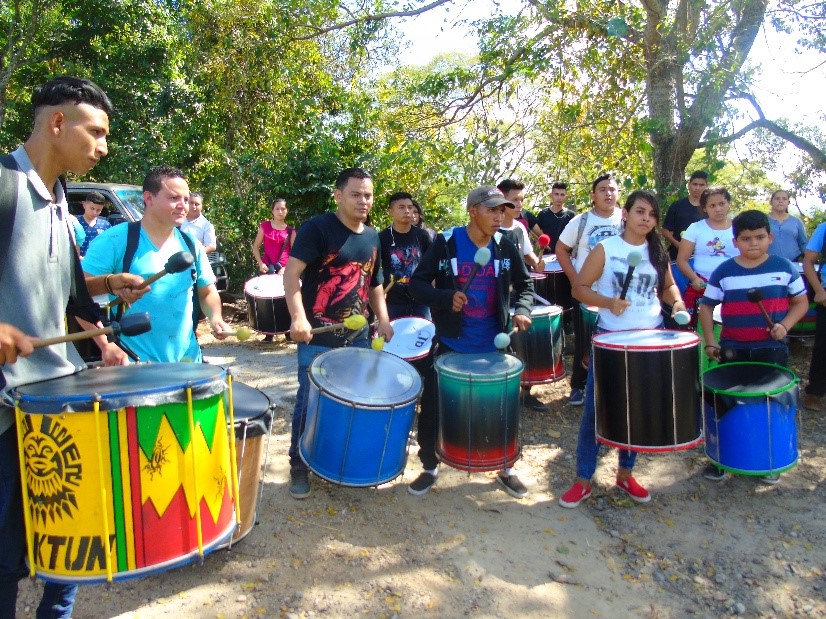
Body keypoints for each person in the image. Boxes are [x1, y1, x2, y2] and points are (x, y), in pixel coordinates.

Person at [0, 75, 129, 619]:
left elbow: (71, 293)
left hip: (57, 398)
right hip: (8, 410)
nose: (103, 147)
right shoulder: (5, 184)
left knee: (72, 536)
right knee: (7, 557)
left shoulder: (59, 201)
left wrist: (103, 327)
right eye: (95, 132)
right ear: (57, 123)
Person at [559, 190, 687, 508]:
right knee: (595, 412)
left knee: (636, 412)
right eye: (640, 211)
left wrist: (678, 302)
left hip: (650, 340)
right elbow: (579, 288)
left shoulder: (657, 251)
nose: (646, 218)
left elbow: (668, 286)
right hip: (611, 341)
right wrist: (608, 302)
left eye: (652, 214)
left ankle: (626, 473)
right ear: (626, 214)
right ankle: (583, 480)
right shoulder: (606, 248)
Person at [407, 185, 534, 498]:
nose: (498, 216)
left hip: (495, 345)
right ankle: (429, 466)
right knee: (433, 409)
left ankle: (505, 467)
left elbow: (525, 285)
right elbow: (417, 284)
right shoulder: (447, 243)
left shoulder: (506, 245)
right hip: (452, 344)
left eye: (502, 210)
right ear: (473, 211)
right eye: (491, 210)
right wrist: (445, 297)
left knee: (502, 411)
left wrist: (522, 310)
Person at [283, 167, 393, 499]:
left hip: (358, 339)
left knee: (352, 403)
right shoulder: (318, 228)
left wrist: (384, 319)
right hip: (318, 337)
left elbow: (374, 285)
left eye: (368, 195)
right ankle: (299, 465)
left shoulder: (372, 237)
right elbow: (291, 275)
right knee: (309, 402)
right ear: (338, 196)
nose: (363, 201)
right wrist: (298, 318)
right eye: (356, 194)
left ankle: (336, 460)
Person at [698, 209, 808, 483]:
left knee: (768, 405)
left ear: (770, 238)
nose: (753, 243)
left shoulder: (784, 267)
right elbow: (706, 306)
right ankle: (722, 458)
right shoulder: (724, 271)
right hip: (733, 346)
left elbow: (801, 302)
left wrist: (785, 326)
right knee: (728, 404)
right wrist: (710, 341)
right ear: (735, 242)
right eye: (746, 239)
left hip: (771, 348)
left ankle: (768, 460)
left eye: (759, 237)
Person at [83, 166, 230, 363]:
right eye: (174, 198)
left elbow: (207, 291)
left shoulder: (191, 244)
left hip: (188, 363)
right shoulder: (115, 240)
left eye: (186, 199)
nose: (183, 206)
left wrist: (216, 318)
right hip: (134, 364)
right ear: (148, 198)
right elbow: (79, 297)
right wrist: (105, 345)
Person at [555, 174, 624, 406]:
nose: (608, 193)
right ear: (593, 195)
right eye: (602, 189)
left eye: (612, 189)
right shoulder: (581, 221)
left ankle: (610, 388)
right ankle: (579, 385)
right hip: (587, 293)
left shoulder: (627, 220)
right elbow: (561, 249)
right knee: (585, 340)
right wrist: (575, 280)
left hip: (618, 293)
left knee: (615, 339)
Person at [675, 186, 740, 326]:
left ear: (728, 203)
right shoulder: (695, 228)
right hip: (703, 287)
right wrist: (694, 278)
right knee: (701, 328)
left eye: (722, 204)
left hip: (735, 287)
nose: (718, 209)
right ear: (704, 208)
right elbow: (682, 260)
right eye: (712, 205)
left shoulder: (740, 227)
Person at [378, 191, 433, 319]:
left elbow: (432, 265)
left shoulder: (422, 236)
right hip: (393, 302)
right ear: (391, 211)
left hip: (421, 301)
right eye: (401, 207)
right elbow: (374, 270)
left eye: (410, 207)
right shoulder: (382, 238)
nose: (407, 211)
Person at [801, 221, 826, 412]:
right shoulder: (824, 228)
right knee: (823, 345)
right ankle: (815, 391)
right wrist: (819, 291)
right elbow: (808, 262)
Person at [662, 170, 709, 262]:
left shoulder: (709, 208)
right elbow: (665, 231)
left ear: (706, 186)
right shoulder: (677, 206)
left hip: (703, 257)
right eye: (695, 184)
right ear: (689, 185)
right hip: (677, 255)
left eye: (701, 185)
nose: (697, 188)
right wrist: (678, 245)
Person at [497, 179, 543, 271]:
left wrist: (537, 263)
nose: (520, 204)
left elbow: (527, 254)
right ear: (501, 201)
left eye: (521, 200)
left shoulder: (520, 227)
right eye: (515, 200)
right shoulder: (489, 229)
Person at [252, 198, 296, 275]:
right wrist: (261, 263)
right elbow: (255, 247)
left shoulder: (291, 231)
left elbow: (295, 254)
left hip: (284, 271)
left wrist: (286, 268)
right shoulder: (265, 226)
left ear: (287, 211)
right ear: (272, 211)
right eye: (277, 209)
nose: (280, 212)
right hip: (267, 269)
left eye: (283, 209)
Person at [534, 182, 575, 253]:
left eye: (562, 195)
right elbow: (534, 233)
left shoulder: (571, 215)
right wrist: (541, 242)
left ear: (566, 197)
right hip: (547, 254)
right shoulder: (543, 214)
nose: (559, 198)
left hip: (566, 255)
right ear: (551, 195)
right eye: (556, 194)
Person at [767, 189, 807, 262]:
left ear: (788, 202)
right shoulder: (763, 220)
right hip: (768, 262)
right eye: (777, 199)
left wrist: (807, 259)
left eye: (784, 199)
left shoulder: (796, 222)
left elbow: (803, 243)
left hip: (794, 262)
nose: (780, 201)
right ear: (771, 202)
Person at [76, 190, 111, 256]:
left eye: (98, 210)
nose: (95, 212)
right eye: (92, 208)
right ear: (84, 205)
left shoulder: (105, 225)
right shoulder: (75, 222)